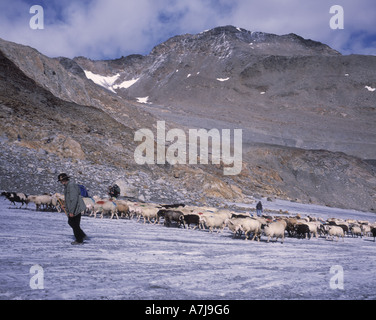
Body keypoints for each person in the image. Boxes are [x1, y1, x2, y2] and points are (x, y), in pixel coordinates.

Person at [57, 173, 87, 245]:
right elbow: (69, 199)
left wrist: (71, 211)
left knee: (74, 224)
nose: (61, 182)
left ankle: (79, 240)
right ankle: (82, 235)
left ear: (64, 180)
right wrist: (65, 206)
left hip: (75, 208)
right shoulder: (68, 186)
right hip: (73, 207)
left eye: (61, 180)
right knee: (72, 223)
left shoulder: (71, 186)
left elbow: (73, 199)